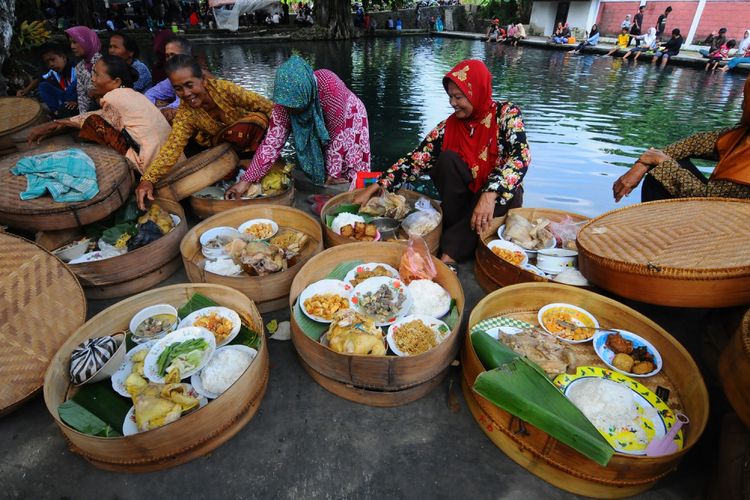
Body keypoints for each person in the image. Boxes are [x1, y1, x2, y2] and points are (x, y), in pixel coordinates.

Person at [352, 59, 530, 269]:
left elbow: (521, 156)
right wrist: (376, 187)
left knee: (511, 190)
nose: (452, 103)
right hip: (462, 201)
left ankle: (449, 255)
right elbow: (415, 160)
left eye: (458, 97)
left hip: (492, 201)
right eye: (450, 97)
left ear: (477, 92)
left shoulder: (506, 114)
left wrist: (489, 194)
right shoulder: (449, 126)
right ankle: (459, 233)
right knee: (446, 159)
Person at [135, 55, 273, 210]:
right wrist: (147, 180)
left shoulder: (224, 89)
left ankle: (258, 162)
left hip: (252, 139)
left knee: (258, 118)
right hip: (223, 150)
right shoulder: (185, 113)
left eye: (189, 85)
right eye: (178, 89)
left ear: (203, 80)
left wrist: (274, 141)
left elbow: (267, 106)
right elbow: (172, 148)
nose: (186, 93)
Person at [225, 55, 371, 196]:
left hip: (348, 118)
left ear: (307, 94)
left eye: (298, 109)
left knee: (350, 167)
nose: (294, 113)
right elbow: (271, 144)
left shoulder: (328, 84)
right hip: (319, 124)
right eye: (290, 110)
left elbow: (335, 134)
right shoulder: (283, 105)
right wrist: (245, 181)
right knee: (323, 167)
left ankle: (359, 196)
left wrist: (334, 172)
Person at [26, 55, 173, 175]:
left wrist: (55, 124)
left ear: (116, 82)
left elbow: (94, 118)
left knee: (94, 124)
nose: (93, 79)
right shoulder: (133, 95)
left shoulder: (113, 97)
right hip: (171, 159)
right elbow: (101, 114)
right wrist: (58, 123)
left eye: (96, 74)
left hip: (152, 167)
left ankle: (124, 171)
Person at [613, 75, 750, 202]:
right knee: (668, 165)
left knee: (663, 170)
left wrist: (660, 160)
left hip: (731, 220)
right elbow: (695, 143)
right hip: (714, 208)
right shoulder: (743, 133)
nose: (742, 105)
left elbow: (709, 199)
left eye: (746, 99)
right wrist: (643, 163)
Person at [15, 42, 78, 118]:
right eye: (47, 62)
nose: (51, 64)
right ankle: (56, 112)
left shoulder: (77, 68)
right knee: (43, 86)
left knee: (74, 85)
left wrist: (76, 100)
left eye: (53, 59)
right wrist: (25, 90)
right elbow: (39, 78)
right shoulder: (52, 72)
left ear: (63, 57)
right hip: (65, 100)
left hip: (78, 100)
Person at [145, 36, 194, 115]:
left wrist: (165, 107)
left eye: (173, 55)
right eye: (167, 56)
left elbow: (182, 105)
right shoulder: (171, 79)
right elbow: (149, 95)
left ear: (187, 56)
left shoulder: (197, 76)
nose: (169, 60)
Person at [65, 26, 102, 113]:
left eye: (75, 42)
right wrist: (83, 118)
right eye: (70, 43)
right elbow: (82, 96)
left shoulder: (103, 63)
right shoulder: (80, 67)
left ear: (86, 41)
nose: (72, 46)